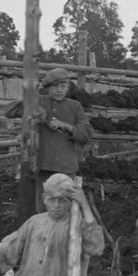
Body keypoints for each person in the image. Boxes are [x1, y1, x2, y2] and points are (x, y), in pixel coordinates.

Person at [35, 68, 93, 206]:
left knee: (65, 206)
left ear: (68, 87)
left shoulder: (75, 106)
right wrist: (34, 107)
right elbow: (10, 111)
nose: (59, 90)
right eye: (55, 86)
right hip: (43, 166)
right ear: (47, 87)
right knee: (43, 207)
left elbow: (86, 134)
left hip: (65, 168)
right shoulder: (39, 101)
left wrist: (66, 126)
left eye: (63, 86)